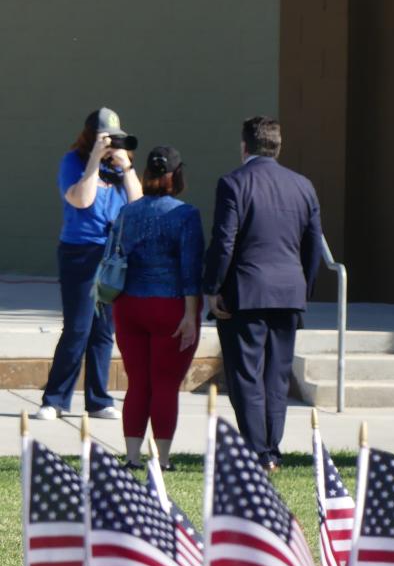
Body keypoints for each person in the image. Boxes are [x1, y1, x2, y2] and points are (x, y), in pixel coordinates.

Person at [203, 116, 323, 472]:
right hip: (289, 291)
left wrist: (213, 288)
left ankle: (257, 451)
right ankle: (271, 448)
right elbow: (312, 244)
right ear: (277, 146)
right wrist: (304, 289)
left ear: (244, 147)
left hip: (246, 292)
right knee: (276, 375)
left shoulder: (233, 183)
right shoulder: (303, 186)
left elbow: (224, 241)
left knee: (246, 375)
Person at [34, 107, 143, 421]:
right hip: (80, 253)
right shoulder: (73, 162)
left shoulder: (119, 168)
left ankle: (98, 400)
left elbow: (137, 207)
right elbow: (81, 200)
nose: (110, 145)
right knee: (78, 328)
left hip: (113, 255)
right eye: (104, 139)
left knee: (104, 331)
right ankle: (54, 399)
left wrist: (126, 168)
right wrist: (94, 159)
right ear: (89, 138)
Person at [110, 146, 204, 470]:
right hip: (170, 306)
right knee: (165, 384)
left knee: (138, 383)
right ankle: (161, 459)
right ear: (176, 175)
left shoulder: (127, 212)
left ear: (147, 174)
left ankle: (133, 456)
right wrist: (191, 316)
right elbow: (191, 271)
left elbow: (115, 255)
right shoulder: (186, 214)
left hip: (129, 305)